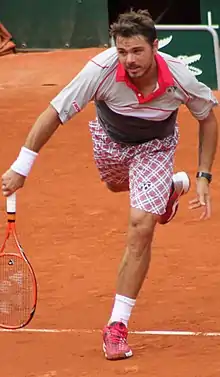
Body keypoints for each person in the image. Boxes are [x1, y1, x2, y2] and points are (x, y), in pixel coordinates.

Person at [1, 9, 218, 360]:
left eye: (137, 51)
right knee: (118, 187)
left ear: (155, 47)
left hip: (155, 147)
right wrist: (21, 167)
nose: (129, 60)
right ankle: (167, 190)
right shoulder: (99, 71)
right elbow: (54, 113)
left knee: (140, 225)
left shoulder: (179, 77)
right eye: (122, 52)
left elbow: (207, 118)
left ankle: (117, 325)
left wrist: (204, 175)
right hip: (109, 143)